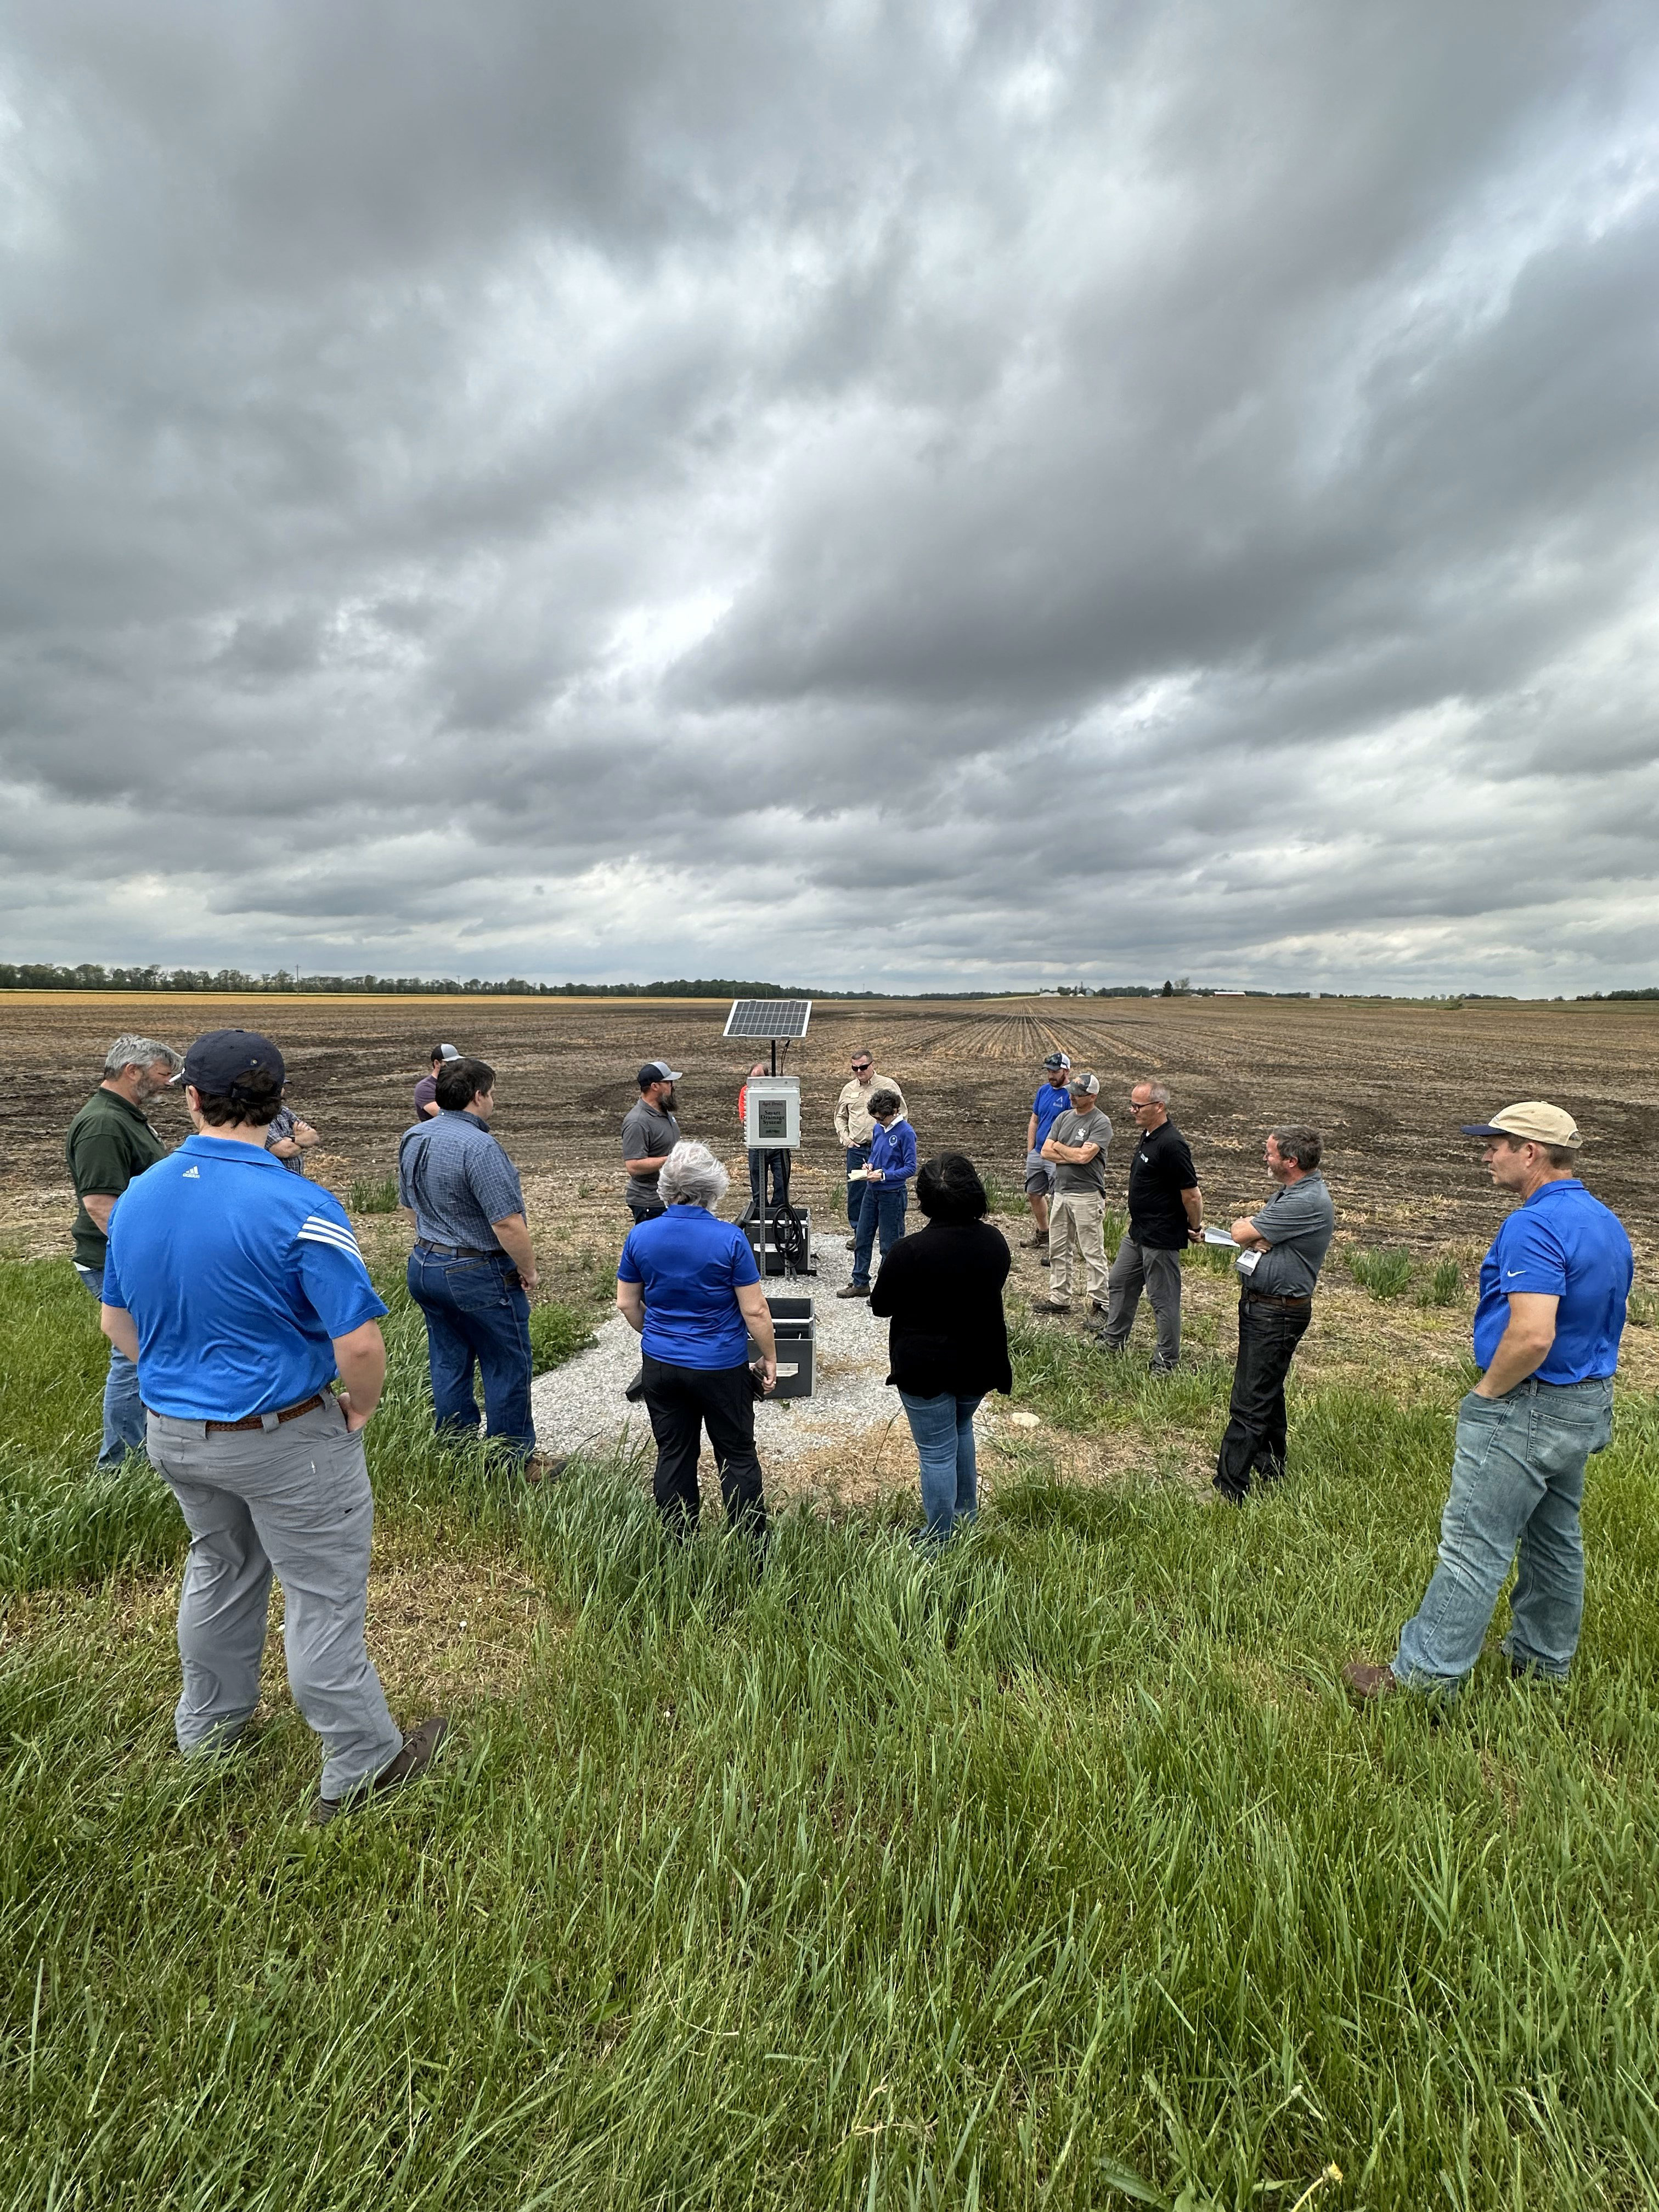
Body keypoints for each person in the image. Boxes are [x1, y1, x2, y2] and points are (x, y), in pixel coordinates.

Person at [97, 1028, 444, 1827]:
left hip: (175, 1430)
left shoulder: (141, 1194)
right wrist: (361, 1406)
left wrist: (180, 1381)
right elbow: (359, 1342)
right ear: (277, 1105)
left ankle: (208, 1734)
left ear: (191, 1098)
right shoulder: (301, 1205)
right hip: (283, 1436)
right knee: (322, 1595)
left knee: (220, 1569)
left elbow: (117, 1322)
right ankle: (362, 1764)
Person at [1344, 1103, 1633, 1703]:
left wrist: (1487, 1394)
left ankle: (1425, 1679)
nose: (1487, 1155)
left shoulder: (1533, 1225)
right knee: (1555, 1538)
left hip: (1531, 1403)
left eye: (1497, 1144)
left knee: (1474, 1543)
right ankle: (1542, 1664)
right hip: (1586, 1400)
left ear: (1530, 1151)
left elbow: (1533, 1335)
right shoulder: (1603, 1219)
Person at [398, 1054, 557, 1475]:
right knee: (507, 1363)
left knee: (449, 1361)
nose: (493, 1100)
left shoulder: (415, 1136)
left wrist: (437, 1238)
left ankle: (456, 1454)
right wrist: (528, 1270)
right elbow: (507, 1222)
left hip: (425, 1263)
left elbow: (409, 1207)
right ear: (477, 1097)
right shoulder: (481, 1147)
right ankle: (511, 1462)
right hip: (476, 1272)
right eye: (491, 1092)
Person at [616, 1139, 776, 1541]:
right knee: (737, 1455)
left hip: (661, 1364)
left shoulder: (641, 1236)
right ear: (713, 1188)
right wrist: (769, 1356)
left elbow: (627, 1303)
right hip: (720, 1365)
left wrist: (658, 1334)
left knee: (674, 1454)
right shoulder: (730, 1239)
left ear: (666, 1186)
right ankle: (750, 1549)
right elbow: (755, 1311)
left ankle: (678, 1547)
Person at [871, 1153, 1012, 1544]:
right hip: (980, 1357)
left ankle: (938, 1539)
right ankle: (966, 1517)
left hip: (925, 1365)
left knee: (936, 1452)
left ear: (923, 1200)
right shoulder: (994, 1241)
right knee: (962, 1428)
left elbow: (881, 1305)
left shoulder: (908, 1251)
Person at [66, 1031, 182, 1469]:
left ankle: (145, 1452)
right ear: (132, 1071)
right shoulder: (103, 1124)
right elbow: (101, 1205)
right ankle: (120, 1464)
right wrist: (145, 1260)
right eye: (163, 1074)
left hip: (130, 1256)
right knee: (135, 1356)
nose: (169, 1083)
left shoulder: (125, 1116)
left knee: (142, 1352)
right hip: (115, 1261)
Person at [1215, 1125, 1335, 1503]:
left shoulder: (1305, 1201)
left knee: (1249, 1399)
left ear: (1291, 1161)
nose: (1264, 1159)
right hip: (1266, 1306)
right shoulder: (1290, 1193)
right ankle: (1270, 1466)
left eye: (1269, 1153)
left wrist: (1254, 1232)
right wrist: (1257, 1234)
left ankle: (1230, 1487)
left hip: (1276, 1312)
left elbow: (1239, 1232)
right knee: (1269, 1388)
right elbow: (1250, 1234)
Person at [1096, 1081, 1202, 1372]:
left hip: (1161, 1236)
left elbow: (1192, 1194)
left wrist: (1195, 1227)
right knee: (1120, 1282)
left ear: (1159, 1107)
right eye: (1132, 1104)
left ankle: (1166, 1361)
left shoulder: (1172, 1144)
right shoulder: (1149, 1136)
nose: (1132, 1111)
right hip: (1138, 1231)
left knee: (1162, 1299)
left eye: (1138, 1106)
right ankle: (1113, 1340)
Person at [1030, 1074, 1113, 1318]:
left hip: (1087, 1195)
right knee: (1058, 1248)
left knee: (1092, 1251)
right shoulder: (1064, 1117)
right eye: (1072, 1092)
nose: (1073, 1097)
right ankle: (1060, 1298)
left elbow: (1084, 1157)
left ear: (1093, 1096)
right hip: (1061, 1193)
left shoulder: (1101, 1122)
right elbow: (1045, 1151)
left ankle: (1101, 1303)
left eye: (1078, 1094)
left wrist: (1059, 1147)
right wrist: (1069, 1152)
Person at [838, 1088, 917, 1299]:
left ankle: (885, 1291)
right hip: (871, 1192)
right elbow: (875, 1154)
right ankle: (860, 1282)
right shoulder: (878, 1129)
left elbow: (910, 1168)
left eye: (882, 1118)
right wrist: (870, 1165)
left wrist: (884, 1176)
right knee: (863, 1237)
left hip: (892, 1194)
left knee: (889, 1245)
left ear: (894, 1111)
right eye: (876, 1118)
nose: (879, 1122)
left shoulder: (906, 1133)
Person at [835, 1050, 905, 1252]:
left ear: (873, 1065)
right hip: (858, 1150)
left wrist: (893, 1142)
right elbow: (840, 1116)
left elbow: (902, 1114)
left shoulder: (888, 1086)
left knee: (888, 1189)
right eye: (855, 1068)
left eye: (863, 1067)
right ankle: (860, 1234)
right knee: (857, 1193)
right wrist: (846, 1138)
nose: (859, 1072)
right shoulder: (848, 1089)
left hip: (884, 1150)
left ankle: (891, 1237)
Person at [1023, 1052, 1073, 1257]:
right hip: (1038, 1153)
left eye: (1055, 1071)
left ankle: (1061, 1247)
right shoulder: (1043, 1091)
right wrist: (1031, 1150)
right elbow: (1034, 1120)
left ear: (1066, 1071)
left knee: (1059, 1200)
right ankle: (1044, 1233)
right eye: (1049, 1071)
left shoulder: (1072, 1095)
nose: (1051, 1075)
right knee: (1034, 1194)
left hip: (1056, 1157)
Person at [622, 1060, 682, 1224]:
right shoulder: (638, 1122)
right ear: (655, 1086)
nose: (673, 1086)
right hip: (650, 1204)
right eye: (669, 1082)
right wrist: (673, 1160)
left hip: (667, 1199)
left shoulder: (664, 1112)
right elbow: (634, 1166)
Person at [738, 1062, 788, 1219]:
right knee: (758, 1185)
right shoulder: (745, 1092)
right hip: (757, 1146)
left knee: (782, 1182)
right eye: (752, 1079)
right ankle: (761, 1214)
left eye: (759, 1078)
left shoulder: (778, 1091)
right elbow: (744, 1118)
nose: (755, 1082)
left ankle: (778, 1213)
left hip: (778, 1145)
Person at [264, 1104, 320, 1176]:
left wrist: (293, 1139)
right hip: (276, 1177)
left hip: (297, 1177)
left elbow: (314, 1137)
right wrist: (303, 1143)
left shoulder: (283, 1111)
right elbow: (284, 1150)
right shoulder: (259, 1118)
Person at [413, 1043, 461, 1121]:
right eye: (450, 1063)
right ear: (437, 1064)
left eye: (457, 1062)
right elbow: (441, 1114)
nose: (455, 1065)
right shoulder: (425, 1088)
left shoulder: (460, 1083)